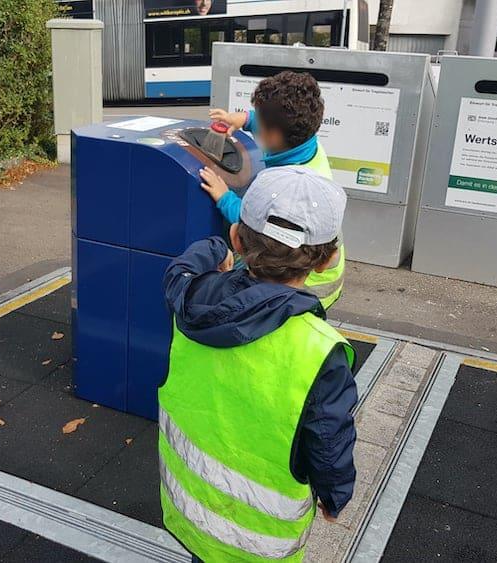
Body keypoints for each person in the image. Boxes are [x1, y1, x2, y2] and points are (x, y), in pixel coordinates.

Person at [160, 166, 357, 563]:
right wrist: (335, 497)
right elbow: (328, 441)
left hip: (193, 514)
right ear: (326, 261)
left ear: (236, 237)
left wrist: (214, 250)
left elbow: (179, 273)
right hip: (260, 545)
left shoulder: (194, 302)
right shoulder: (320, 352)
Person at [201, 71, 345, 310]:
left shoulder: (293, 184)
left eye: (259, 121)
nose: (256, 125)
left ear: (274, 134)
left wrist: (224, 197)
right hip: (316, 261)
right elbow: (276, 124)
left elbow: (261, 225)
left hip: (309, 286)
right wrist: (242, 119)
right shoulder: (306, 141)